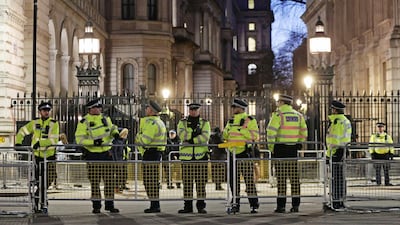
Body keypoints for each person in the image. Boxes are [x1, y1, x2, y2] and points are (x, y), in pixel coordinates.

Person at [75, 99, 121, 214]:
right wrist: (93, 142)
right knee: (95, 182)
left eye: (99, 107)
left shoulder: (105, 118)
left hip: (106, 154)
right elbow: (79, 139)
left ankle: (110, 205)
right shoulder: (84, 122)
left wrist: (115, 132)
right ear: (90, 109)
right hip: (92, 155)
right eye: (96, 108)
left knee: (109, 181)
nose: (98, 110)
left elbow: (112, 128)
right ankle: (96, 206)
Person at [266, 94, 308, 213]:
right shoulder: (298, 115)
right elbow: (304, 131)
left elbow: (271, 132)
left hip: (280, 149)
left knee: (281, 179)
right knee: (294, 178)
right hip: (293, 149)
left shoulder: (278, 115)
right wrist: (300, 143)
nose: (277, 104)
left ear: (282, 103)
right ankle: (296, 205)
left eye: (278, 102)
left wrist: (271, 147)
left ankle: (281, 206)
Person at [15, 101, 60, 213]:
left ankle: (38, 198)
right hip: (36, 157)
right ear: (40, 111)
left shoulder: (54, 123)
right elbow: (22, 131)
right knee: (38, 181)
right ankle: (41, 203)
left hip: (49, 157)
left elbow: (53, 140)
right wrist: (18, 143)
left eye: (48, 110)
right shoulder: (34, 122)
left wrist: (41, 143)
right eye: (44, 110)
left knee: (48, 179)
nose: (46, 112)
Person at [222, 98, 259, 214]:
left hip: (244, 153)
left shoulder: (250, 120)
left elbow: (254, 136)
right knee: (233, 181)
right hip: (232, 153)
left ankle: (254, 204)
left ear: (240, 108)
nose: (232, 109)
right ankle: (235, 203)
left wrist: (241, 130)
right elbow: (225, 134)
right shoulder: (231, 120)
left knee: (249, 180)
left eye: (234, 107)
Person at [177, 103, 211, 214]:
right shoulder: (182, 122)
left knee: (201, 183)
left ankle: (201, 206)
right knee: (187, 183)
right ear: (189, 110)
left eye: (195, 110)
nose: (193, 111)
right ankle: (188, 206)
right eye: (191, 110)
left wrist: (191, 140)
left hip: (201, 157)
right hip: (187, 158)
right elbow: (181, 135)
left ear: (199, 110)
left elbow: (206, 136)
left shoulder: (205, 123)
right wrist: (194, 134)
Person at [135, 100, 167, 213]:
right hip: (155, 153)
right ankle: (154, 204)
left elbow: (144, 141)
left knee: (149, 180)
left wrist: (138, 136)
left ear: (151, 111)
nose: (145, 109)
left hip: (150, 153)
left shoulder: (151, 124)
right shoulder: (159, 122)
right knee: (152, 180)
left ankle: (155, 205)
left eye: (147, 108)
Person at [326, 100, 352, 209]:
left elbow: (333, 141)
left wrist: (328, 154)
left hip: (336, 152)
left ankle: (336, 201)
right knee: (340, 178)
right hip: (343, 150)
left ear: (335, 110)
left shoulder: (337, 121)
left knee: (335, 178)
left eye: (332, 109)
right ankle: (340, 200)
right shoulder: (346, 121)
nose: (331, 111)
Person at [110, 128, 130, 193]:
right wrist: (116, 161)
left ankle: (122, 185)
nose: (126, 135)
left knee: (124, 173)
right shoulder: (116, 141)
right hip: (118, 160)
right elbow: (114, 151)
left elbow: (125, 149)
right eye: (125, 134)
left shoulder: (123, 141)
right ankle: (116, 187)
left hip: (123, 159)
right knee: (119, 174)